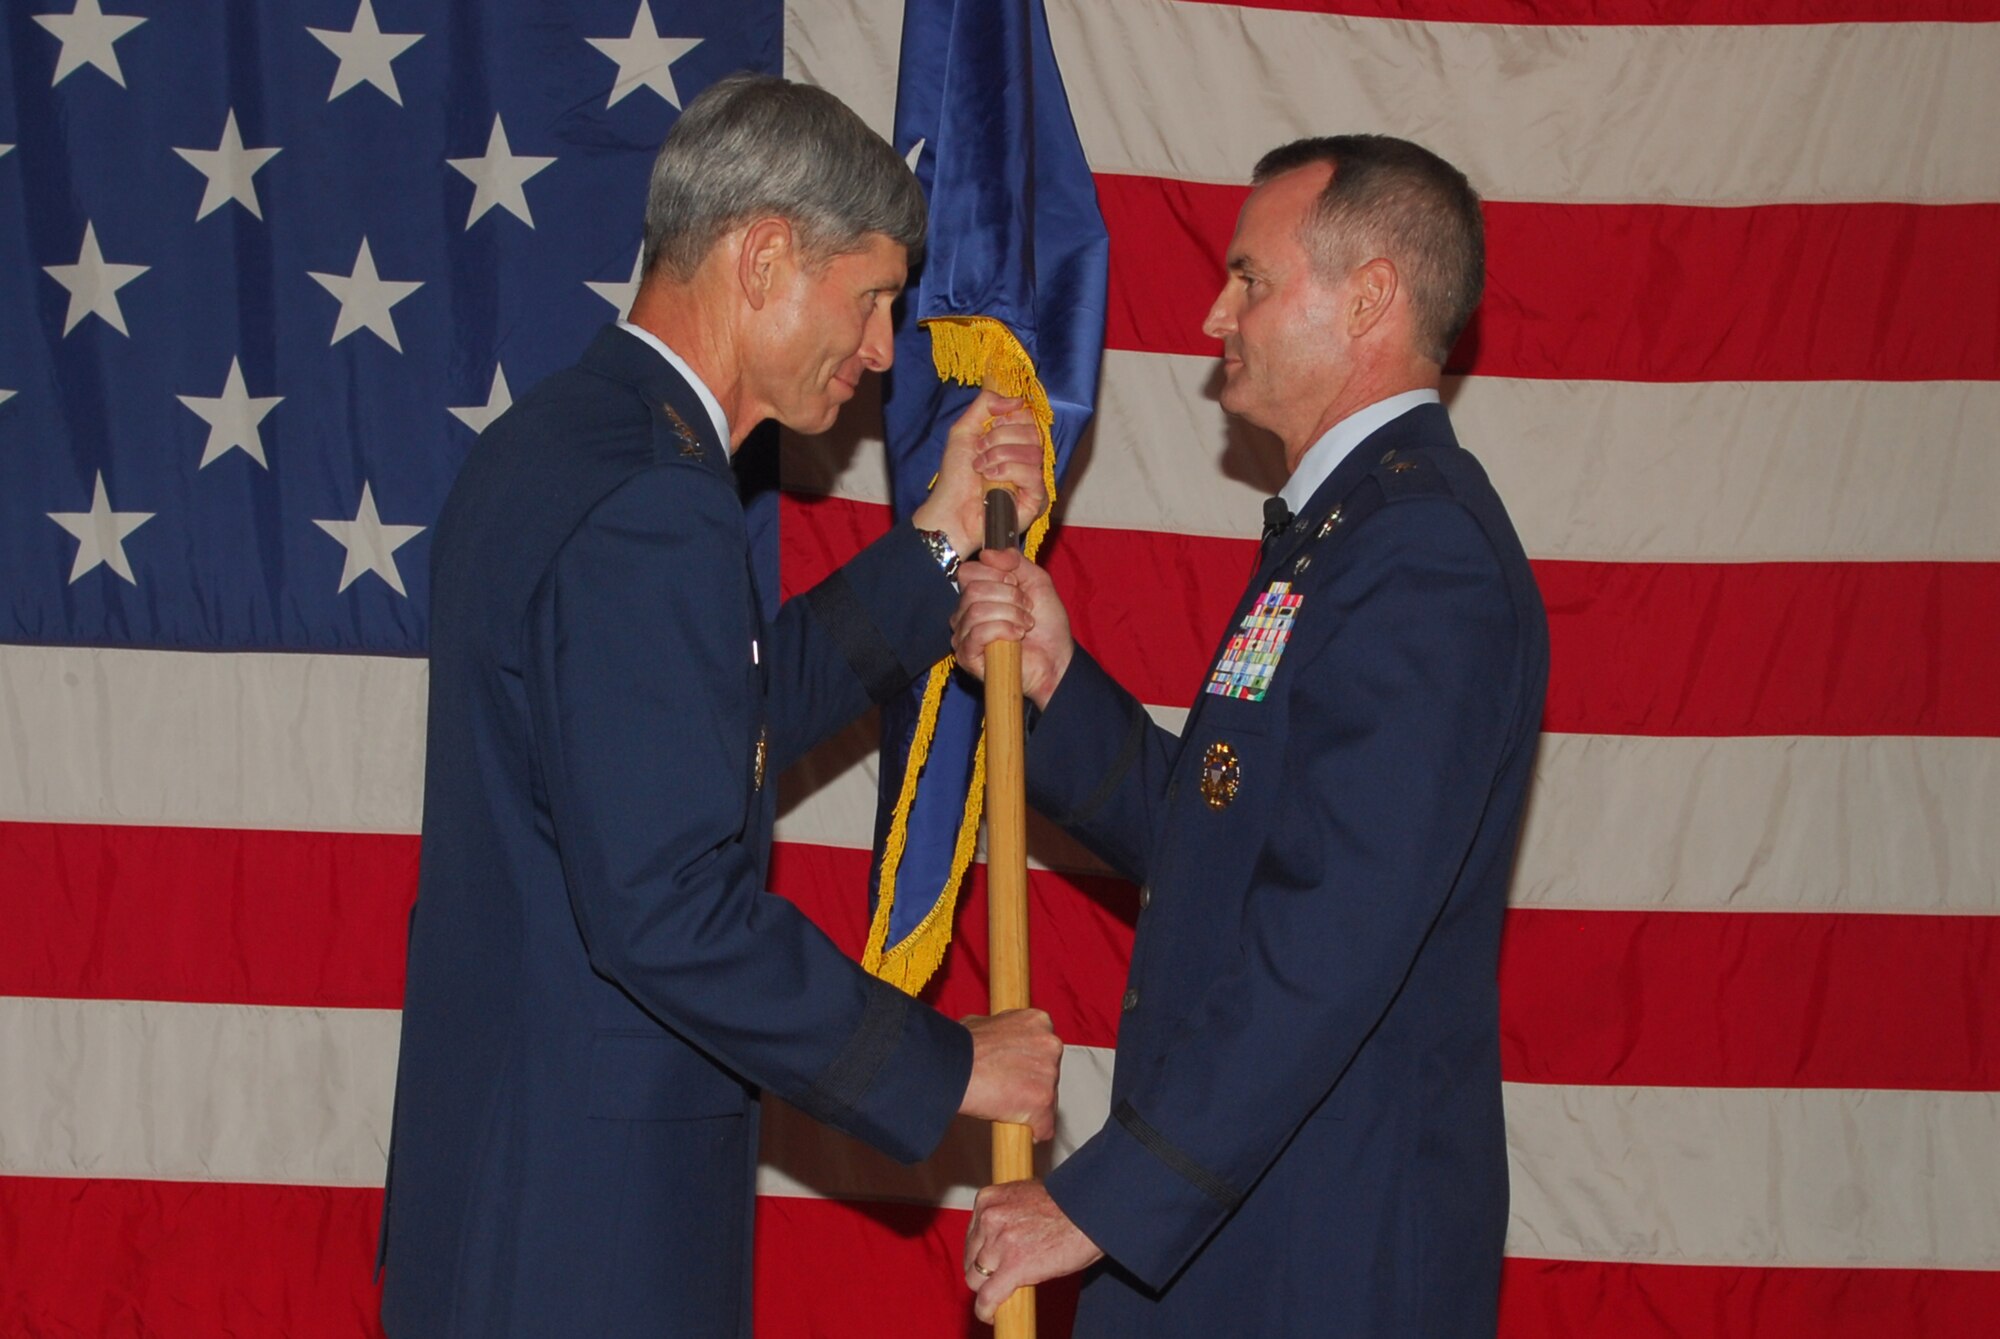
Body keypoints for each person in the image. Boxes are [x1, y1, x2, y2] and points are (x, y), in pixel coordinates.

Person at [377, 74, 1062, 1339]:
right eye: (867, 301)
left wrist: (932, 551)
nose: (875, 354)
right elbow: (665, 910)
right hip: (587, 1246)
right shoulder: (656, 497)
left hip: (521, 1202)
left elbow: (711, 730)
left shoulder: (565, 443)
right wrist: (947, 1063)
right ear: (760, 258)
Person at [950, 136, 1550, 1335]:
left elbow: (1332, 930)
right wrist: (1060, 680)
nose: (1214, 311)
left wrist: (1107, 1202)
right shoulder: (1340, 538)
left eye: (1249, 279)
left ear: (1367, 296)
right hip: (1247, 1232)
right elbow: (1221, 840)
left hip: (1313, 1255)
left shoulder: (1420, 556)